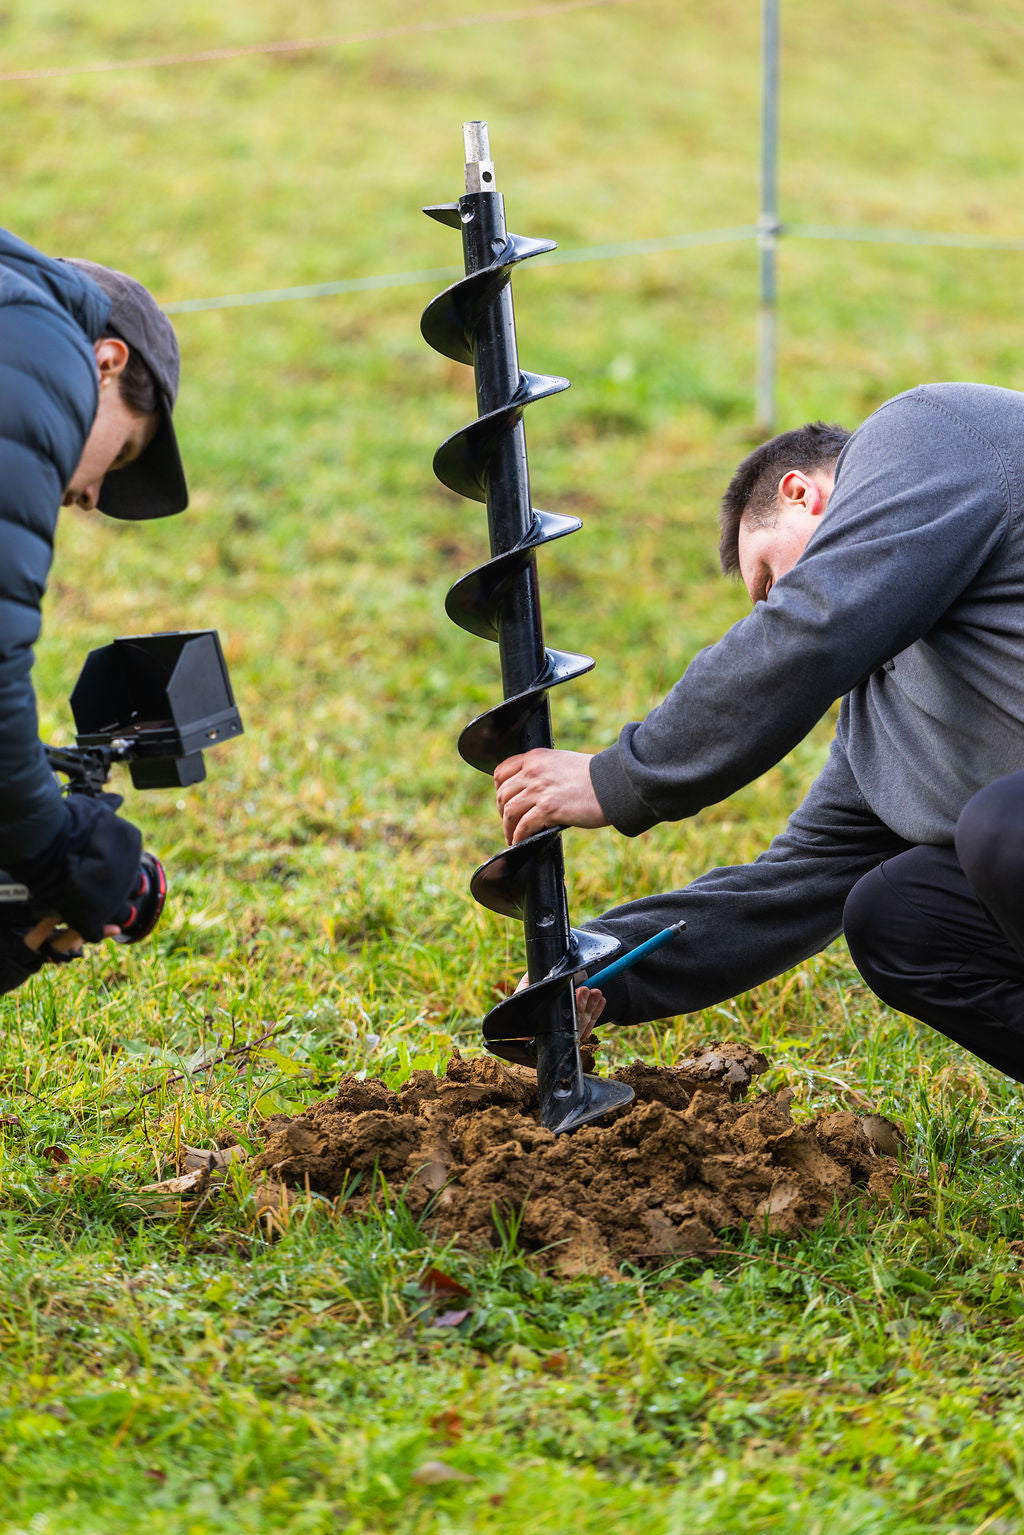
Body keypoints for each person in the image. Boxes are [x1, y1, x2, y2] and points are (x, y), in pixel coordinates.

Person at [494, 383, 1024, 1082]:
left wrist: (616, 777)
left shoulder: (931, 433)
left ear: (801, 494)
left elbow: (813, 626)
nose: (775, 609)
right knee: (897, 916)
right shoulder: (891, 715)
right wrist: (590, 966)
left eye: (769, 582)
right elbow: (786, 890)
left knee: (1002, 824)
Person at [0, 228, 188, 992]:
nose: (91, 496)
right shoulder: (44, 352)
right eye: (124, 453)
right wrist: (53, 850)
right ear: (106, 362)